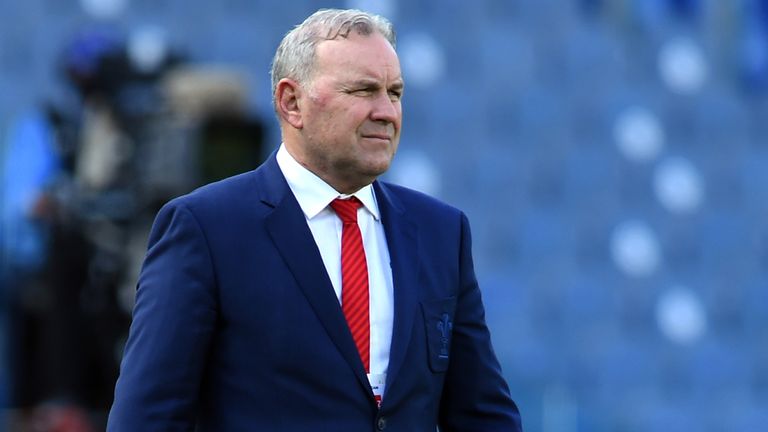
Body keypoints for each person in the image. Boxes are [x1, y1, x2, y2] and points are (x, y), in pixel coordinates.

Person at [107, 8, 522, 431]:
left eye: (394, 93)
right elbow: (146, 419)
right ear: (292, 102)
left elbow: (483, 415)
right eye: (362, 91)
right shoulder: (205, 228)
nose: (386, 112)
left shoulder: (441, 232)